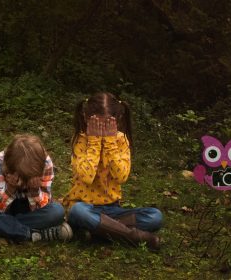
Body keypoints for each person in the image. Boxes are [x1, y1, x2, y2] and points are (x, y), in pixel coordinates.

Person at [63, 92, 164, 250]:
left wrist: (110, 142)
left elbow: (121, 176)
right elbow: (86, 176)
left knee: (155, 216)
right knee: (77, 211)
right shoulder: (81, 140)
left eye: (106, 125)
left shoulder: (120, 140)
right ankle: (133, 237)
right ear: (86, 118)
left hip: (113, 209)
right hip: (84, 207)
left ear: (117, 121)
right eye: (98, 125)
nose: (102, 131)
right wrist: (94, 142)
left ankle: (100, 232)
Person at [0, 134, 72, 244]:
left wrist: (34, 190)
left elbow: (45, 203)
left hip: (31, 212)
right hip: (7, 210)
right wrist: (10, 188)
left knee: (57, 212)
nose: (23, 185)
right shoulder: (0, 161)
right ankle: (36, 234)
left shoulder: (45, 163)